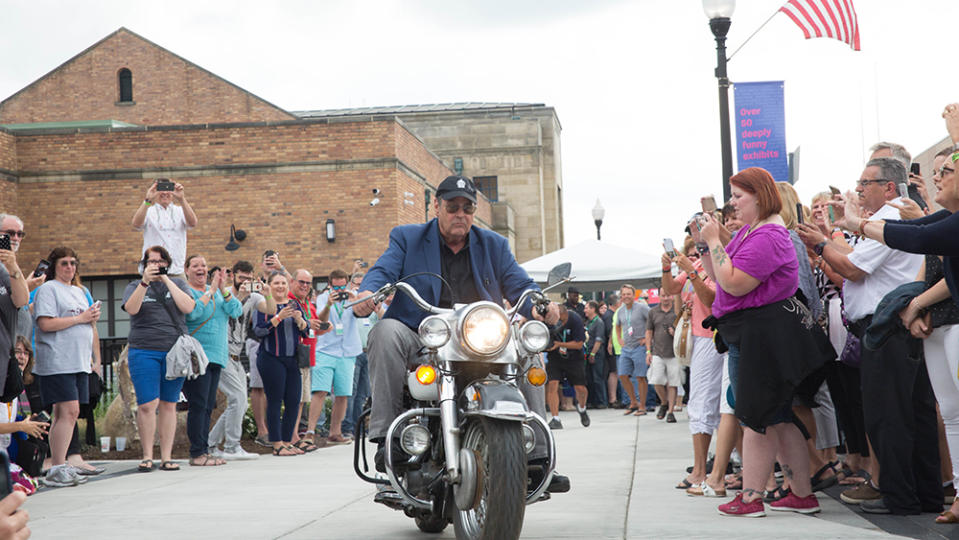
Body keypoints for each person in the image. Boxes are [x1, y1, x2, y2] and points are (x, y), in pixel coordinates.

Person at [353, 174, 566, 492]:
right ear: (436, 207)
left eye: (467, 208)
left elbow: (519, 284)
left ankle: (535, 455)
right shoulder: (407, 238)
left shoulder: (494, 244)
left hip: (481, 337)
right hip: (422, 333)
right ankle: (389, 439)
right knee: (385, 331)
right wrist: (369, 294)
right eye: (453, 207)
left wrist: (539, 307)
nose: (460, 214)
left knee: (527, 346)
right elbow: (383, 270)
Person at [802, 157, 936, 515]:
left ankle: (901, 497)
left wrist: (820, 246)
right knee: (910, 412)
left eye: (865, 183)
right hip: (892, 327)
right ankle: (923, 494)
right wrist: (828, 239)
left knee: (888, 417)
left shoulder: (888, 218)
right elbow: (856, 257)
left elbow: (853, 269)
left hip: (887, 327)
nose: (858, 189)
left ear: (888, 187)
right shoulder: (884, 222)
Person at [698, 167, 831, 517]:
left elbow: (734, 282)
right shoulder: (751, 232)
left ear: (759, 195)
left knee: (755, 416)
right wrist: (707, 242)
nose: (733, 202)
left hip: (761, 335)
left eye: (738, 196)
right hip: (752, 333)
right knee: (778, 416)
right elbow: (717, 275)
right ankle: (801, 493)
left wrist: (715, 240)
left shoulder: (769, 235)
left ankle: (752, 497)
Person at [122, 246, 197, 472]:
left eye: (160, 261)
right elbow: (132, 309)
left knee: (169, 404)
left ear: (167, 263)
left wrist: (167, 280)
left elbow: (189, 307)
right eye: (151, 261)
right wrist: (145, 282)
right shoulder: (134, 286)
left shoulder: (179, 284)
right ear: (144, 264)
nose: (155, 265)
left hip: (174, 352)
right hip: (143, 350)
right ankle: (147, 456)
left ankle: (166, 457)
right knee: (147, 404)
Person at [31, 247, 100, 488]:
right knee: (68, 411)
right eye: (64, 263)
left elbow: (88, 325)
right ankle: (58, 466)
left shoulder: (79, 291)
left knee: (66, 414)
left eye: (73, 263)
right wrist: (80, 319)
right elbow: (45, 324)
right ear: (54, 267)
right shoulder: (48, 289)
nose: (70, 267)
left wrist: (93, 357)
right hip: (58, 360)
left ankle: (59, 465)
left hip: (78, 361)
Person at [182, 255, 242, 466]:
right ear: (187, 270)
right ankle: (197, 453)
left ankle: (204, 450)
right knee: (198, 405)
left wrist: (224, 289)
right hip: (197, 357)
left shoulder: (218, 293)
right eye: (196, 265)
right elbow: (193, 314)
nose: (201, 269)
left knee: (208, 406)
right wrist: (211, 291)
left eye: (204, 266)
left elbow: (237, 311)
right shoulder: (187, 291)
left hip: (217, 356)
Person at [254, 272, 308, 456]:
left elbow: (307, 331)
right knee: (275, 400)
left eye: (283, 283)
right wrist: (278, 317)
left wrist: (300, 321)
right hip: (271, 357)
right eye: (276, 283)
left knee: (293, 400)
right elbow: (259, 331)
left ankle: (287, 441)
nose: (280, 286)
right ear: (269, 285)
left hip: (292, 358)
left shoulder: (295, 304)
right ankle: (276, 443)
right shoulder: (263, 305)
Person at [211, 260, 259, 460]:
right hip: (222, 353)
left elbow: (272, 310)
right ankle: (232, 446)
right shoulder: (222, 295)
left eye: (249, 279)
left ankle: (210, 443)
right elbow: (232, 310)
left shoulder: (254, 296)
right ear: (233, 276)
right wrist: (237, 295)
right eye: (242, 278)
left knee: (239, 403)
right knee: (238, 398)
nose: (245, 282)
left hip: (238, 356)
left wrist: (267, 291)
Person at [310, 270, 362, 445]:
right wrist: (328, 305)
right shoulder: (324, 298)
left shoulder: (353, 296)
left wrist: (354, 300)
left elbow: (361, 314)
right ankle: (310, 431)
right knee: (320, 392)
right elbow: (320, 320)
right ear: (330, 285)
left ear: (347, 284)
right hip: (326, 349)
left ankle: (335, 432)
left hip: (347, 351)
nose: (340, 290)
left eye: (342, 286)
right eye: (336, 287)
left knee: (343, 394)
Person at [131, 179, 198, 276]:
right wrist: (148, 200)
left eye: (168, 188)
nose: (165, 192)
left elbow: (193, 223)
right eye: (160, 188)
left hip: (176, 270)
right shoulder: (148, 210)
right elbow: (136, 224)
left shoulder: (180, 210)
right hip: (153, 271)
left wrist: (182, 199)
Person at [287, 269, 321, 451]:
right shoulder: (289, 300)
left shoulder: (307, 303)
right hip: (294, 354)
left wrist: (324, 325)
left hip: (307, 355)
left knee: (301, 400)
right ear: (292, 281)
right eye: (301, 282)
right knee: (295, 399)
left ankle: (294, 436)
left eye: (308, 283)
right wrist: (308, 323)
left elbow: (316, 328)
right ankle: (291, 438)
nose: (305, 286)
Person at [544, 305, 589, 429]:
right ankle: (555, 418)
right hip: (555, 357)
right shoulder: (549, 320)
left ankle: (582, 408)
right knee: (552, 385)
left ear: (564, 314)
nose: (559, 322)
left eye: (561, 320)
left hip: (574, 357)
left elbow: (579, 344)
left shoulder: (575, 319)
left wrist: (559, 344)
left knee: (580, 388)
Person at [615, 285, 649, 416]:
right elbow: (617, 325)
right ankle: (633, 402)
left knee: (640, 376)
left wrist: (647, 338)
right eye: (624, 294)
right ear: (621, 296)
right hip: (626, 348)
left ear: (634, 295)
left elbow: (652, 321)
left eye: (629, 294)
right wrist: (619, 338)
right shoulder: (620, 311)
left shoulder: (642, 308)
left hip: (639, 347)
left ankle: (642, 406)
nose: (626, 297)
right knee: (622, 375)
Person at [645, 293, 679, 423]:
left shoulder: (677, 310)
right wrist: (648, 351)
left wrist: (675, 333)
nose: (666, 298)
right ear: (659, 296)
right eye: (663, 295)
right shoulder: (653, 312)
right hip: (657, 352)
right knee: (656, 380)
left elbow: (685, 329)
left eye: (668, 295)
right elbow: (649, 331)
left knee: (673, 382)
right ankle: (664, 402)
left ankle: (670, 411)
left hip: (674, 353)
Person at [584, 300, 607, 408]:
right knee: (589, 379)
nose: (585, 310)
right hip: (587, 352)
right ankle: (592, 401)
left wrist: (593, 354)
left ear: (593, 309)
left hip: (596, 354)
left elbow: (599, 340)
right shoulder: (588, 322)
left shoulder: (599, 322)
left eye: (587, 308)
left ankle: (602, 401)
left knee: (598, 378)